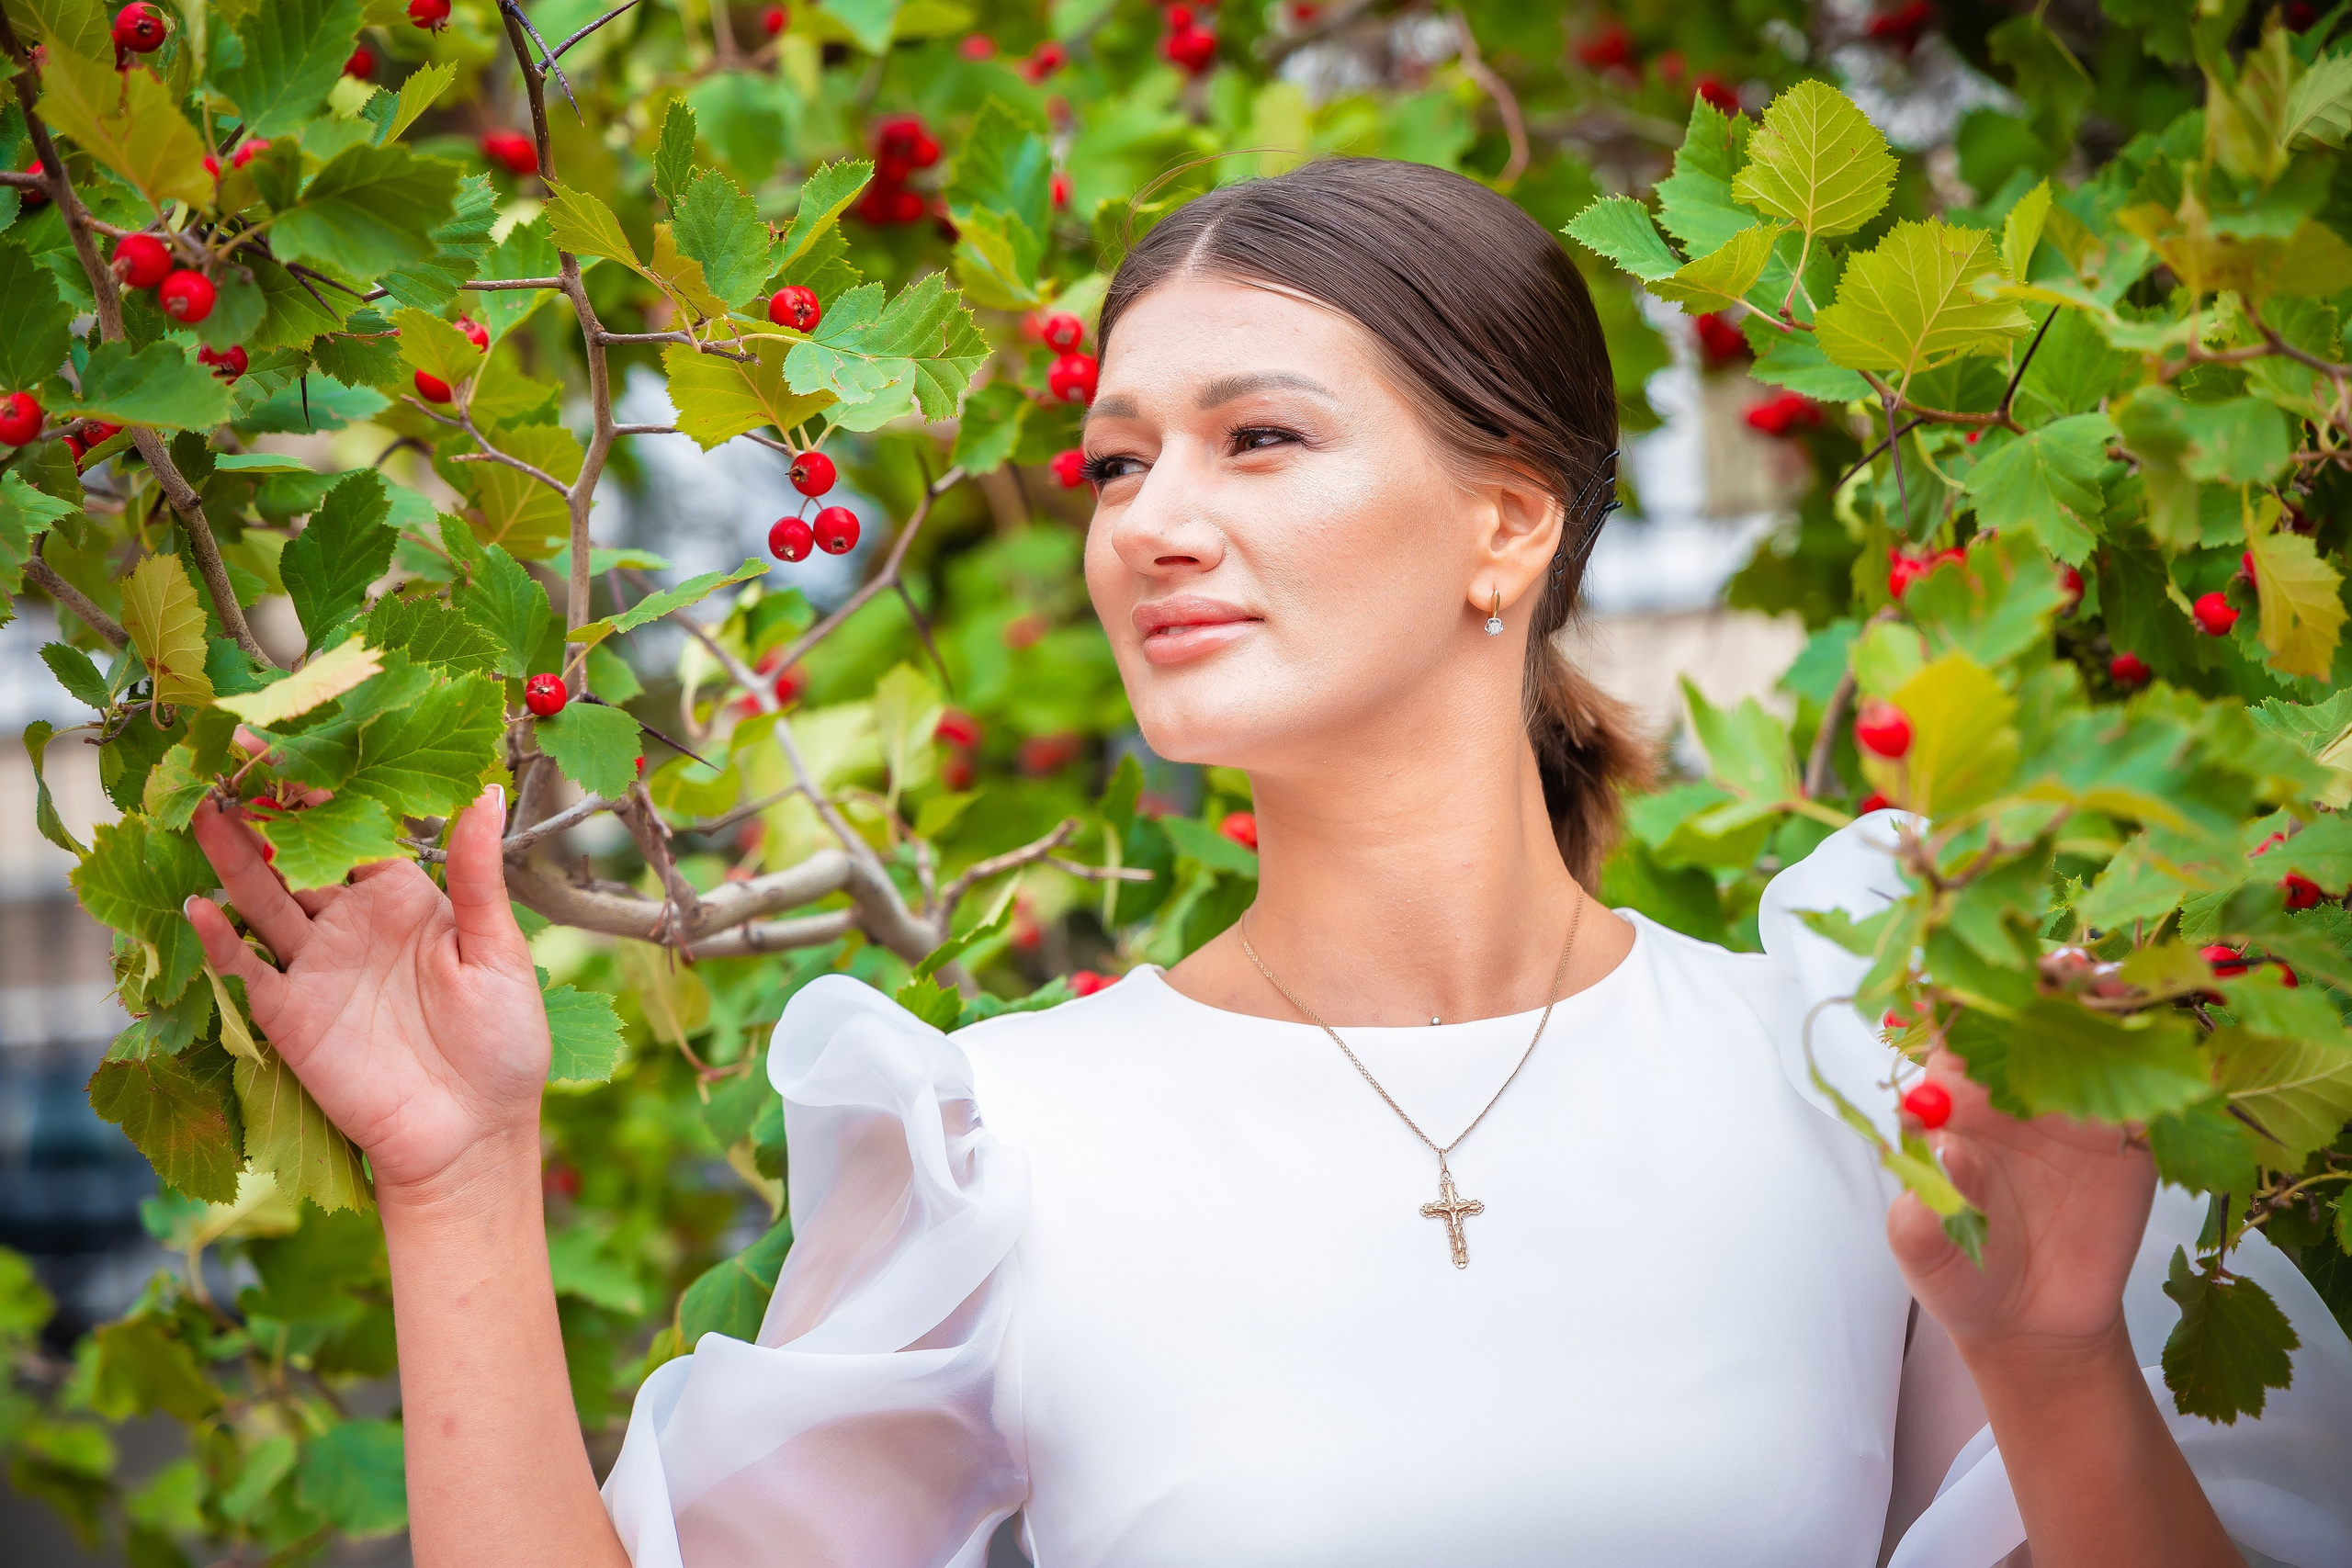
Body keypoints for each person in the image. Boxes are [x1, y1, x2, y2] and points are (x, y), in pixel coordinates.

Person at [184, 158, 2352, 1568]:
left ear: (1508, 520)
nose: (1147, 518)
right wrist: (454, 1175)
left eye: (1258, 437)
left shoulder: (1853, 1071)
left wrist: (2053, 1356)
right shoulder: (1001, 1132)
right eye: (1115, 457)